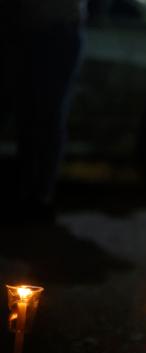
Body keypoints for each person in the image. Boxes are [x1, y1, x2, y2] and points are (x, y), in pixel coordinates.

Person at [0, 0, 86, 225]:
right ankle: (32, 193)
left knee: (46, 117)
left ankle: (38, 195)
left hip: (53, 31)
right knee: (32, 117)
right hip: (30, 31)